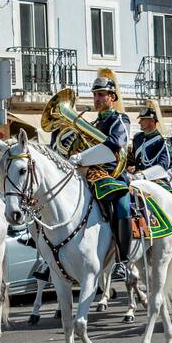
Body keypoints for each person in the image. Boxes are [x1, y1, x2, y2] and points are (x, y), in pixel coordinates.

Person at [73, 69, 134, 269]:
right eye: (95, 94)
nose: (97, 98)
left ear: (112, 97)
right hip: (90, 175)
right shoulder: (94, 123)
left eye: (101, 94)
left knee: (123, 206)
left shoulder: (120, 119)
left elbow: (116, 143)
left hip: (113, 176)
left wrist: (82, 157)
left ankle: (123, 259)